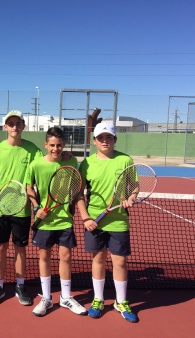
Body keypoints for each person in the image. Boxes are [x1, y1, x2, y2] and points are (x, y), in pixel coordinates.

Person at [76, 121, 139, 323]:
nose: (105, 141)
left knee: (120, 261)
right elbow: (78, 194)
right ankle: (98, 299)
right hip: (94, 221)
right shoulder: (86, 164)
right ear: (94, 141)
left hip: (119, 221)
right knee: (98, 260)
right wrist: (86, 218)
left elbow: (134, 186)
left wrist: (130, 197)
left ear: (114, 139)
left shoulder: (125, 161)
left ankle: (121, 301)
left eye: (108, 137)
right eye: (101, 138)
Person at [26, 127, 87, 317]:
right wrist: (36, 207)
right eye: (52, 145)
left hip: (64, 220)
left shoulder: (71, 161)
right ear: (45, 145)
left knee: (65, 258)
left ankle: (66, 297)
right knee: (44, 257)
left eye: (59, 145)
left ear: (64, 145)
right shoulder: (36, 165)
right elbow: (29, 188)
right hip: (43, 221)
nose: (55, 148)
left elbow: (76, 190)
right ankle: (46, 298)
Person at [0, 110, 43, 306]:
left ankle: (20, 285)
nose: (14, 127)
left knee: (20, 249)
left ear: (23, 126)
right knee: (0, 248)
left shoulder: (33, 150)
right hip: (1, 209)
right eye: (11, 124)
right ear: (5, 127)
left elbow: (45, 166)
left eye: (18, 123)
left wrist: (66, 154)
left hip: (22, 210)